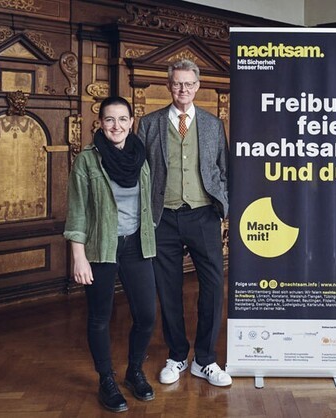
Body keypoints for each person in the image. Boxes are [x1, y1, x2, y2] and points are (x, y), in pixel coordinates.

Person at [136, 59, 231, 387]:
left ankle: (205, 360)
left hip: (203, 215)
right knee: (168, 289)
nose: (183, 89)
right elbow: (141, 172)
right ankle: (177, 355)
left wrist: (223, 205)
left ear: (197, 86)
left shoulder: (213, 124)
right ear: (169, 85)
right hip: (163, 217)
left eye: (189, 84)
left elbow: (223, 168)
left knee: (213, 286)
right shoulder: (149, 123)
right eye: (177, 83)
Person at [64, 96, 157, 412]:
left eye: (122, 119)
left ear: (131, 122)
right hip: (101, 246)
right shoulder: (87, 160)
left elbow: (148, 202)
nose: (116, 126)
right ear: (100, 123)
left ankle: (134, 371)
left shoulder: (140, 156)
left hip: (137, 245)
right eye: (109, 119)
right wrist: (78, 256)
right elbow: (77, 211)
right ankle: (106, 380)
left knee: (147, 315)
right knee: (99, 317)